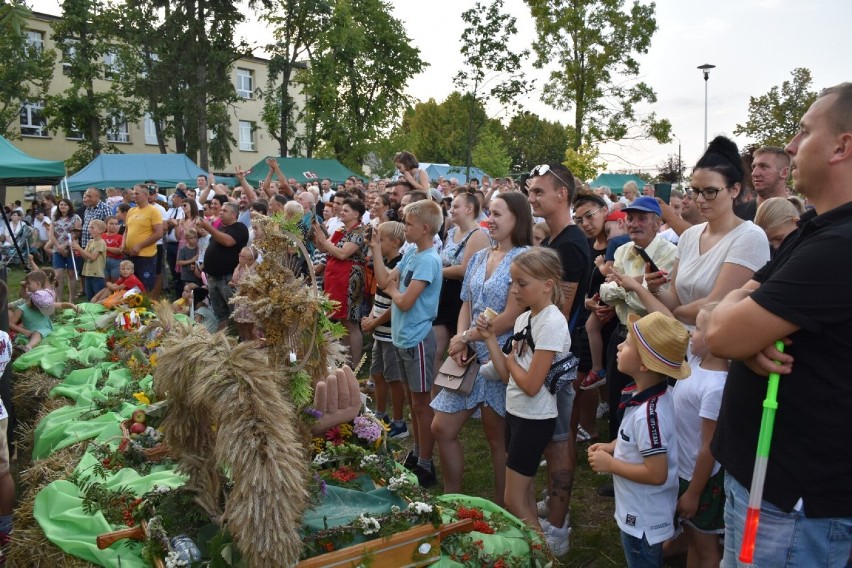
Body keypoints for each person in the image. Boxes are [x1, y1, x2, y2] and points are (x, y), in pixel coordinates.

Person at [706, 83, 852, 567]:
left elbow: (720, 331)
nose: (790, 146)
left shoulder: (840, 246)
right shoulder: (816, 230)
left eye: (804, 131)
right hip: (759, 490)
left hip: (789, 510)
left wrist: (742, 332)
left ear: (842, 146)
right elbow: (722, 314)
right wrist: (749, 339)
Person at [434, 192, 532, 504]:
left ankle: (501, 507)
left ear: (517, 218)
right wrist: (461, 337)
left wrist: (466, 338)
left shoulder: (525, 258)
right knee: (441, 428)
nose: (490, 219)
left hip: (502, 357)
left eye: (498, 214)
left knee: (497, 439)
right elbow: (467, 302)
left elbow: (511, 317)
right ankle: (453, 500)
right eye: (489, 213)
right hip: (467, 352)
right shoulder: (479, 256)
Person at [476, 248, 574, 536]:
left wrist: (508, 360)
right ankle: (533, 552)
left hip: (535, 417)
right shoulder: (524, 319)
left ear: (548, 284)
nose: (514, 290)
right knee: (525, 491)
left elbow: (532, 385)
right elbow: (508, 376)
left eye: (522, 283)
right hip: (516, 411)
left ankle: (542, 551)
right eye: (512, 282)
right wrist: (491, 339)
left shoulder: (552, 322)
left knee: (512, 498)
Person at [588, 312, 689, 568]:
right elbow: (638, 442)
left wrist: (611, 466)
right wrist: (613, 447)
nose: (620, 346)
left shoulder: (648, 414)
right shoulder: (649, 397)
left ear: (644, 364)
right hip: (638, 512)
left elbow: (656, 473)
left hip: (642, 520)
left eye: (628, 343)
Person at [636, 137, 770, 329]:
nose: (700, 199)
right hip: (682, 348)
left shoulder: (749, 236)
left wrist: (673, 314)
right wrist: (656, 290)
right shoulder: (690, 236)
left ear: (735, 189)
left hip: (718, 350)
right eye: (695, 190)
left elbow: (716, 306)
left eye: (710, 191)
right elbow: (675, 297)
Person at [526, 164, 591, 553]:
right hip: (545, 348)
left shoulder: (569, 243)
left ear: (562, 194)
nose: (532, 198)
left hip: (557, 353)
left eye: (538, 192)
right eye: (530, 192)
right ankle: (554, 502)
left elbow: (559, 312)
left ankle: (559, 525)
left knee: (559, 439)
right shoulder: (554, 238)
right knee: (551, 438)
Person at [371, 199, 444, 488]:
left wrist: (392, 289)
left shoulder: (429, 260)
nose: (404, 227)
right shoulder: (412, 251)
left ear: (425, 228)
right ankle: (416, 452)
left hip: (417, 339)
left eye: (409, 223)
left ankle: (426, 463)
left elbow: (404, 299)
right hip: (402, 336)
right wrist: (376, 248)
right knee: (415, 403)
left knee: (422, 404)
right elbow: (383, 282)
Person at [431, 192, 490, 388]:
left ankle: (465, 390)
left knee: (463, 349)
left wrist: (435, 270)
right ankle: (438, 392)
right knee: (436, 350)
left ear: (469, 209)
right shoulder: (451, 232)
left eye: (456, 206)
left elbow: (465, 270)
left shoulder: (479, 235)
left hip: (462, 298)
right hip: (444, 295)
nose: (451, 209)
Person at [361, 222, 407, 438]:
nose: (377, 243)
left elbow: (395, 305)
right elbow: (379, 298)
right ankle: (380, 413)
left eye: (382, 240)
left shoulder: (398, 266)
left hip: (390, 332)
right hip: (380, 331)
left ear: (395, 243)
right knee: (377, 373)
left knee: (393, 378)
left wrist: (375, 322)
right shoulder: (385, 263)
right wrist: (371, 316)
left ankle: (399, 421)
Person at [313, 198, 368, 366]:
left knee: (350, 321)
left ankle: (355, 363)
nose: (341, 212)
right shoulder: (341, 229)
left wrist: (324, 242)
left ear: (356, 214)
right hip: (335, 278)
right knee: (341, 320)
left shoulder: (359, 232)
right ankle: (344, 360)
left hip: (349, 278)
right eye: (341, 210)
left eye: (346, 210)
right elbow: (324, 249)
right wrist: (318, 235)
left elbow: (343, 254)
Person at [200, 202, 249, 330]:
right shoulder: (221, 229)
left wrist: (208, 228)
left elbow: (227, 241)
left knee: (235, 314)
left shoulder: (239, 228)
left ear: (234, 214)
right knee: (221, 315)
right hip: (213, 278)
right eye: (220, 210)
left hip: (227, 279)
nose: (220, 212)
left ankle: (241, 340)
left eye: (224, 210)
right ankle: (224, 340)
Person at [124, 185, 163, 292]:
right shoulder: (131, 211)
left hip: (145, 256)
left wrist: (140, 245)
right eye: (133, 193)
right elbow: (127, 230)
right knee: (130, 287)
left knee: (145, 287)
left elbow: (159, 233)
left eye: (137, 193)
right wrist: (123, 244)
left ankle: (148, 306)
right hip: (130, 254)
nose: (134, 196)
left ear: (145, 195)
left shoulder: (153, 211)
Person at [735, 146, 791, 221]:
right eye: (753, 167)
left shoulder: (800, 216)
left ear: (784, 173)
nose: (754, 173)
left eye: (763, 167)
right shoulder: (736, 216)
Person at [9, 271, 55, 352]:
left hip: (43, 329)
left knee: (37, 333)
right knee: (32, 333)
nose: (27, 286)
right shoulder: (22, 308)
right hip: (29, 331)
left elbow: (58, 305)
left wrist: (71, 305)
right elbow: (10, 324)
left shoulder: (43, 303)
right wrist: (23, 331)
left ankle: (28, 347)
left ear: (38, 284)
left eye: (29, 284)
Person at [49, 198, 82, 303]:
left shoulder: (75, 218)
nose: (62, 206)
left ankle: (71, 300)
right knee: (58, 275)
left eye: (65, 205)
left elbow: (76, 233)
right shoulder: (54, 218)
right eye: (61, 205)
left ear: (69, 206)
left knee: (71, 274)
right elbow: (51, 234)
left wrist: (65, 245)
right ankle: (58, 300)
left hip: (71, 248)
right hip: (57, 250)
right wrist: (59, 246)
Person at [72, 218, 107, 300]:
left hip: (97, 275)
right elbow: (85, 258)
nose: (89, 229)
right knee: (89, 297)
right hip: (88, 273)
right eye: (89, 227)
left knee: (97, 298)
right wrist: (78, 250)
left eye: (92, 227)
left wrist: (79, 248)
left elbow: (93, 257)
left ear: (100, 230)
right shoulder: (90, 242)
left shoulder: (101, 243)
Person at [229, 247, 258, 341]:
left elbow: (251, 287)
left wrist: (236, 284)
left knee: (249, 326)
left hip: (248, 303)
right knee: (240, 325)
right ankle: (244, 343)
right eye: (240, 255)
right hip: (239, 301)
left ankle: (251, 344)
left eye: (243, 257)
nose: (240, 258)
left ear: (251, 260)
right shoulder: (240, 268)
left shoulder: (254, 272)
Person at [175, 228, 202, 292]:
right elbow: (178, 262)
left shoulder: (199, 248)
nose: (194, 240)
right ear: (186, 239)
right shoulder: (183, 250)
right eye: (191, 238)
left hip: (198, 276)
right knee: (188, 291)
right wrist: (191, 260)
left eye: (195, 237)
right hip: (186, 276)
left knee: (197, 293)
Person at [102, 217, 124, 282]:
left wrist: (106, 248)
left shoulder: (120, 237)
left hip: (116, 262)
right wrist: (114, 249)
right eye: (111, 224)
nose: (114, 226)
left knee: (115, 281)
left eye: (116, 224)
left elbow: (120, 251)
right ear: (106, 225)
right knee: (105, 281)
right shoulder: (102, 236)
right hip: (103, 260)